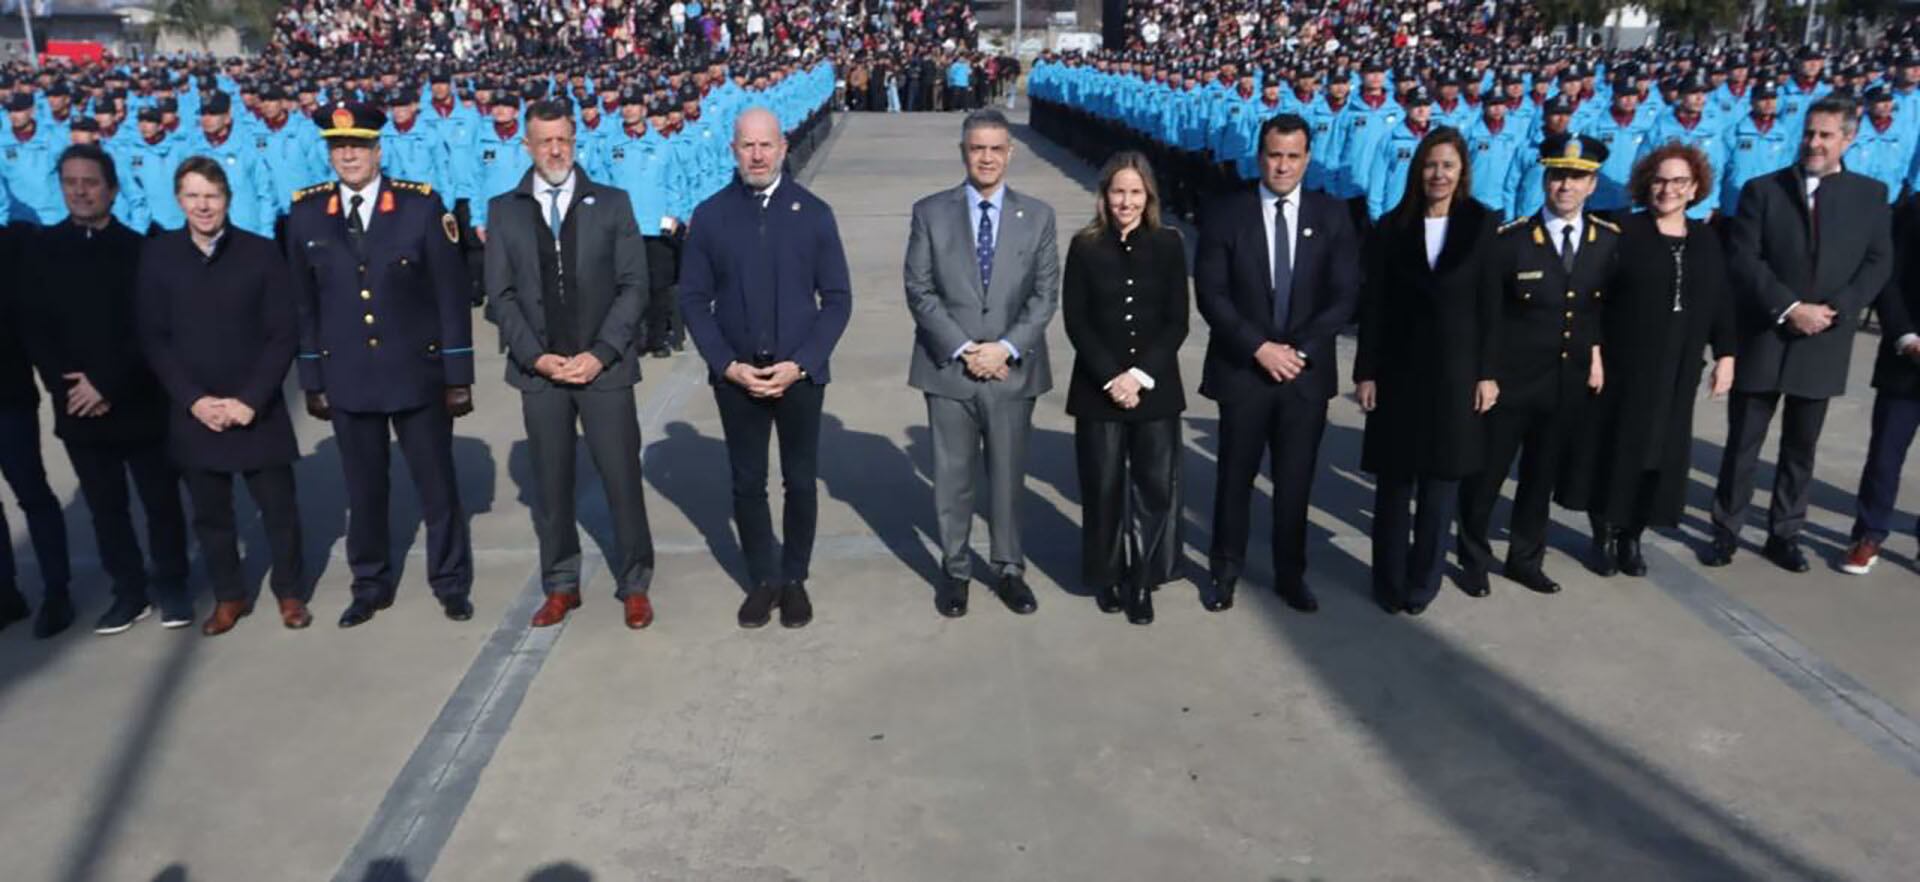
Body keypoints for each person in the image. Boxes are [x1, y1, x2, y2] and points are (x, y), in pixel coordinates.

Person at [287, 102, 478, 629]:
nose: (348, 155)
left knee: (437, 486)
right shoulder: (306, 213)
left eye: (358, 146)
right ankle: (369, 584)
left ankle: (450, 581)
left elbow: (449, 295)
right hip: (348, 375)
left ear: (378, 150)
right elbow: (304, 305)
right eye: (338, 147)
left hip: (416, 371)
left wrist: (458, 376)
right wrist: (312, 378)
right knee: (364, 490)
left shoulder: (419, 207)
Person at [484, 99, 658, 630]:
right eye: (544, 141)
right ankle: (561, 583)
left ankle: (634, 582)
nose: (555, 150)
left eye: (563, 139)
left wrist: (599, 353)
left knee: (621, 477)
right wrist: (537, 358)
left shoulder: (611, 203)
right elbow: (501, 295)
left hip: (602, 369)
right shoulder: (505, 210)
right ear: (528, 146)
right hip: (542, 373)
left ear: (574, 140)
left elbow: (634, 286)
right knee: (552, 486)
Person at [678, 106, 852, 629]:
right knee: (747, 483)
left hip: (798, 376)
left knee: (800, 480)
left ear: (783, 146)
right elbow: (692, 299)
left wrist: (802, 363)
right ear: (733, 151)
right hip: (738, 378)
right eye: (746, 146)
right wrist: (725, 364)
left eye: (766, 145)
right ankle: (763, 578)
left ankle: (794, 576)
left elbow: (838, 299)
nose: (757, 155)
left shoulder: (814, 213)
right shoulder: (711, 216)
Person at [1709, 97, 1893, 571]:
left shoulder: (1870, 194)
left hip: (1825, 338)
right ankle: (1725, 528)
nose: (1814, 142)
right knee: (1743, 441)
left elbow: (1878, 262)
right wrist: (1789, 307)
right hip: (1767, 334)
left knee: (1800, 447)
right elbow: (1744, 258)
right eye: (1810, 133)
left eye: (1826, 135)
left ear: (1848, 139)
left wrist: (1835, 310)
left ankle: (1783, 533)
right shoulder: (1762, 190)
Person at [23, 144, 195, 635]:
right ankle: (129, 590)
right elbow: (36, 329)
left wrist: (106, 382)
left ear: (112, 190)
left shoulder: (139, 250)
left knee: (160, 500)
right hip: (77, 402)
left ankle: (172, 583)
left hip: (136, 397)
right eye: (71, 182)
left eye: (90, 182)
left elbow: (147, 328)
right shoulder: (43, 250)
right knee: (105, 507)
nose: (80, 191)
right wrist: (70, 384)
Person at [1195, 113, 1361, 615]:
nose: (1282, 165)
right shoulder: (1227, 212)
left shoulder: (1332, 215)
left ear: (1307, 159)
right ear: (1259, 155)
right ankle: (1225, 571)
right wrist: (1259, 348)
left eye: (1292, 156)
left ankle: (1291, 574)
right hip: (1244, 370)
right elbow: (1211, 292)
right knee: (1233, 480)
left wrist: (1299, 352)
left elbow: (1344, 294)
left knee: (1294, 484)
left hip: (1304, 377)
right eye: (1274, 154)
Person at [135, 156, 306, 635]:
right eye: (192, 196)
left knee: (279, 510)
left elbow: (282, 333)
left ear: (227, 199)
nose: (202, 205)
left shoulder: (260, 253)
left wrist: (250, 400)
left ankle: (290, 593)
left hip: (256, 406)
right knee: (211, 516)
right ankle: (230, 596)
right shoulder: (160, 255)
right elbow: (154, 337)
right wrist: (193, 400)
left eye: (211, 195)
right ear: (178, 201)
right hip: (196, 410)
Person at [903, 109, 1060, 618]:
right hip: (949, 368)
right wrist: (965, 348)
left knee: (1008, 477)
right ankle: (955, 569)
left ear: (1010, 153)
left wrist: (1005, 348)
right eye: (977, 148)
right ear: (963, 152)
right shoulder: (930, 212)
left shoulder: (1037, 215)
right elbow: (919, 289)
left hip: (1012, 370)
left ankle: (1009, 568)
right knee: (952, 477)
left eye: (996, 148)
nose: (987, 157)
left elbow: (1044, 294)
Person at [1456, 134, 1618, 596]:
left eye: (1577, 178)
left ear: (1592, 185)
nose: (1565, 186)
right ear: (1545, 180)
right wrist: (1485, 374)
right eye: (1558, 176)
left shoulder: (1604, 242)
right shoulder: (1510, 241)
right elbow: (1487, 315)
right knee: (1486, 474)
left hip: (1565, 380)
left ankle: (1526, 558)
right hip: (1511, 380)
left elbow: (1597, 310)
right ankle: (1473, 556)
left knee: (1540, 476)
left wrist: (1597, 356)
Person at [1354, 127, 1500, 616]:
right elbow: (1372, 304)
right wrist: (1366, 370)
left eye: (1448, 166)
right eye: (1431, 164)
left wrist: (1487, 372)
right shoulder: (1393, 227)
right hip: (1398, 369)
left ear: (1462, 173)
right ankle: (1388, 580)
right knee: (1395, 486)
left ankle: (1424, 580)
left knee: (1441, 484)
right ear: (1418, 169)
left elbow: (1490, 306)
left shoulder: (1481, 225)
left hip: (1457, 372)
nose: (1438, 174)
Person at [1579, 144, 1736, 578]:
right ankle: (1605, 532)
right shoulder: (1623, 233)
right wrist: (1593, 354)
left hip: (1678, 366)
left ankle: (1633, 534)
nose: (1668, 189)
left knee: (1659, 453)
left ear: (1694, 188)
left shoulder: (1706, 239)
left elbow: (1722, 300)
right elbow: (1594, 300)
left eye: (1678, 182)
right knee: (1616, 446)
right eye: (1660, 180)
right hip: (1625, 362)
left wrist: (1726, 354)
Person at [1062, 151, 1188, 625]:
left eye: (1135, 192)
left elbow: (1177, 320)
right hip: (1100, 388)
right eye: (1118, 191)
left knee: (1156, 487)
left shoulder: (1170, 244)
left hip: (1154, 387)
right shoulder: (1085, 246)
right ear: (1104, 195)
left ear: (1149, 196)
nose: (1126, 201)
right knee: (1104, 485)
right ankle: (1108, 573)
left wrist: (1140, 375)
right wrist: (1112, 376)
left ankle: (1145, 578)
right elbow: (1077, 320)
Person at [0, 214, 73, 638]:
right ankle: (5, 593)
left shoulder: (12, 244)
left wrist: (57, 389)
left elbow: (31, 323)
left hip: (8, 396)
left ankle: (56, 592)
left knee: (32, 494)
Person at [1842, 197, 1920, 575]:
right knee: (1885, 456)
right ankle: (1869, 535)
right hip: (1909, 358)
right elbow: (1888, 277)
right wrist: (1905, 335)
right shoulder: (1912, 210)